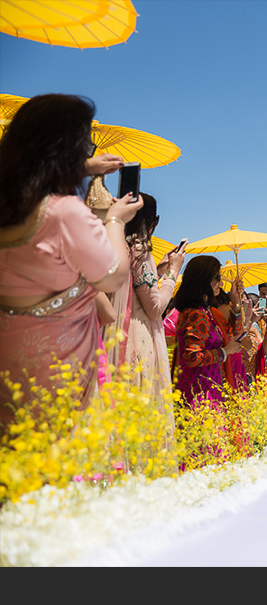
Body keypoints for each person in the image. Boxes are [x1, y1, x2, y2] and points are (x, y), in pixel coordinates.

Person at [0, 94, 142, 428]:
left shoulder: (11, 202)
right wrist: (116, 221)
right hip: (53, 370)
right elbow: (112, 277)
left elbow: (28, 168)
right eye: (85, 144)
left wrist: (85, 168)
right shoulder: (64, 213)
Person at [117, 192, 184, 422]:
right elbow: (155, 308)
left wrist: (159, 269)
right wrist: (173, 273)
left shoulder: (119, 247)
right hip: (138, 336)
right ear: (153, 222)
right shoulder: (140, 250)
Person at [171, 256, 243, 407]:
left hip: (208, 391)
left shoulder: (207, 312)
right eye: (217, 278)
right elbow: (193, 357)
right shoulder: (195, 315)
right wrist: (224, 352)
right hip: (198, 396)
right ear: (203, 280)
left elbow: (234, 334)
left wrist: (236, 303)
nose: (221, 283)